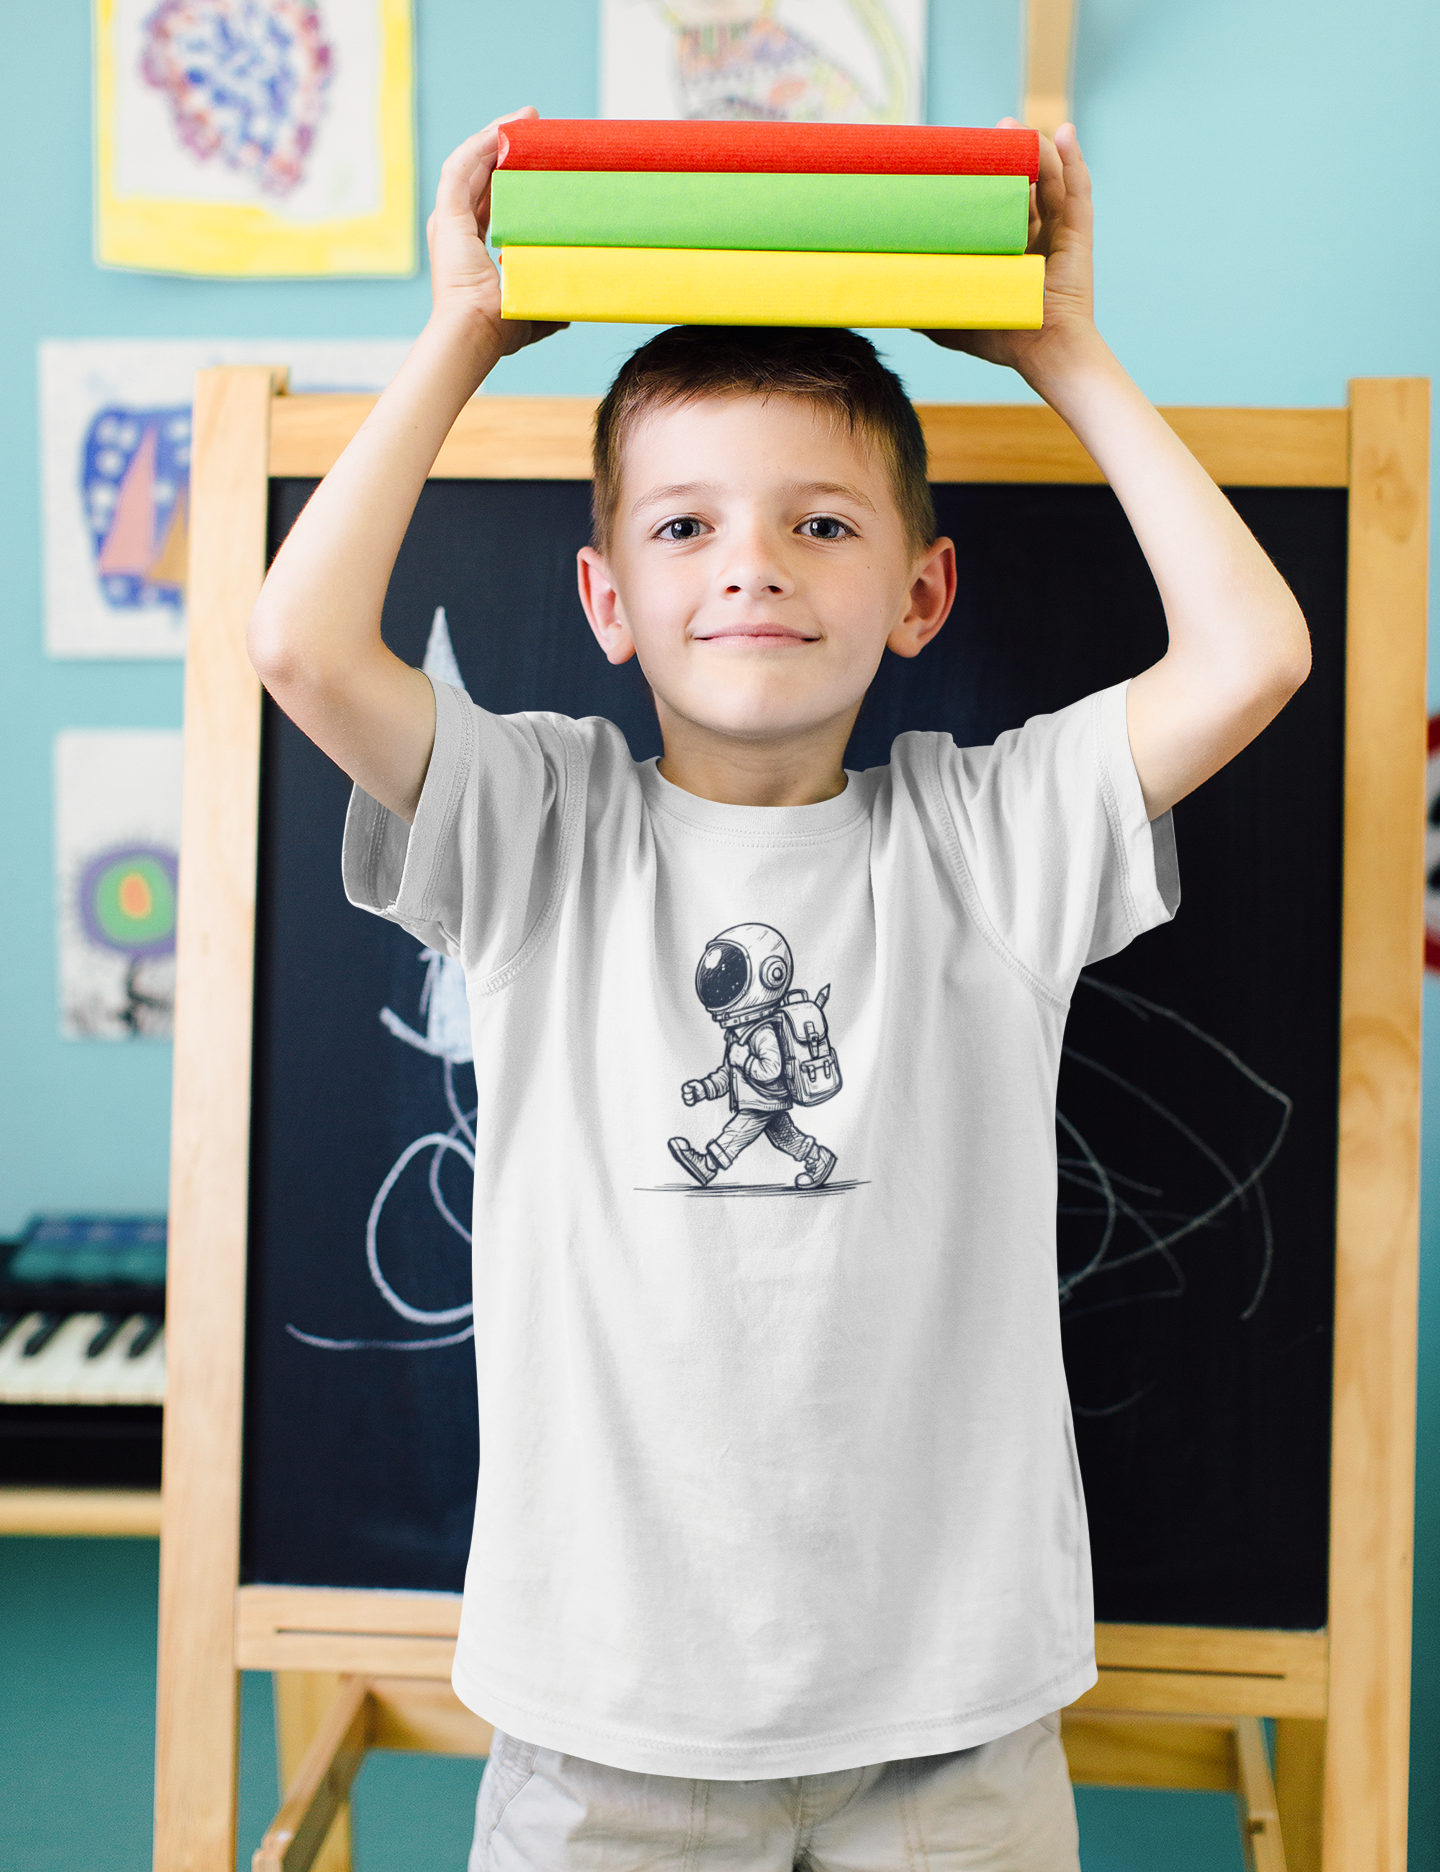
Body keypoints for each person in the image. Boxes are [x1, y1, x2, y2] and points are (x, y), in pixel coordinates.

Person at [247, 108, 1310, 1870]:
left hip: (952, 1723)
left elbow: (1257, 651)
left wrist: (1060, 347)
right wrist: (467, 329)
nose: (750, 562)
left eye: (823, 523)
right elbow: (297, 643)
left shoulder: (986, 840)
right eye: (681, 528)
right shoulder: (540, 827)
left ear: (920, 591)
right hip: (605, 1723)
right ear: (603, 599)